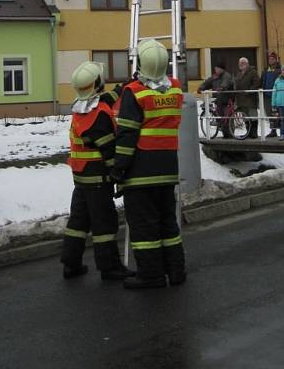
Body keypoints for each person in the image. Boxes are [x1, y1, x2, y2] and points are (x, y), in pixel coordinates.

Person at [111, 39, 186, 289]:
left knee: (144, 227)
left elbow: (127, 134)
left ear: (141, 63)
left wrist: (118, 168)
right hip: (168, 168)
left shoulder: (134, 91)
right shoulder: (175, 88)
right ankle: (175, 271)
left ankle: (151, 275)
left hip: (141, 171)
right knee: (167, 222)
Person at [61, 62, 133, 281]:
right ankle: (109, 268)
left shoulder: (81, 106)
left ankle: (71, 264)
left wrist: (124, 86)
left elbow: (106, 98)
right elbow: (110, 152)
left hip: (81, 177)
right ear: (98, 83)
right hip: (98, 179)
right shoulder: (99, 116)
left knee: (78, 223)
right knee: (104, 224)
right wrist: (118, 176)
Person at [197, 61, 235, 138]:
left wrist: (222, 87)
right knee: (220, 117)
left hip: (226, 100)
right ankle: (225, 134)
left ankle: (230, 134)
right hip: (218, 100)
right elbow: (207, 83)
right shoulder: (214, 77)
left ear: (222, 69)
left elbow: (225, 83)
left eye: (217, 68)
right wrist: (201, 88)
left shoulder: (226, 76)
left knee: (227, 117)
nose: (216, 70)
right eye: (215, 68)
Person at [235, 56, 262, 138]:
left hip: (250, 99)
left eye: (243, 63)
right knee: (245, 117)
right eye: (240, 63)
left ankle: (254, 133)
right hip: (241, 99)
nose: (241, 65)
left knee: (253, 116)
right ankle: (248, 132)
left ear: (247, 64)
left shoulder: (253, 72)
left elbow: (257, 83)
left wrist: (249, 91)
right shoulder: (239, 74)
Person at [260, 51, 281, 137]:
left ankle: (280, 131)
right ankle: (273, 130)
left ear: (276, 60)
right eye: (269, 59)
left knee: (276, 113)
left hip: (276, 95)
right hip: (267, 95)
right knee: (269, 113)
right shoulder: (265, 70)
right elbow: (262, 81)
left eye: (272, 59)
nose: (271, 60)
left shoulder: (279, 70)